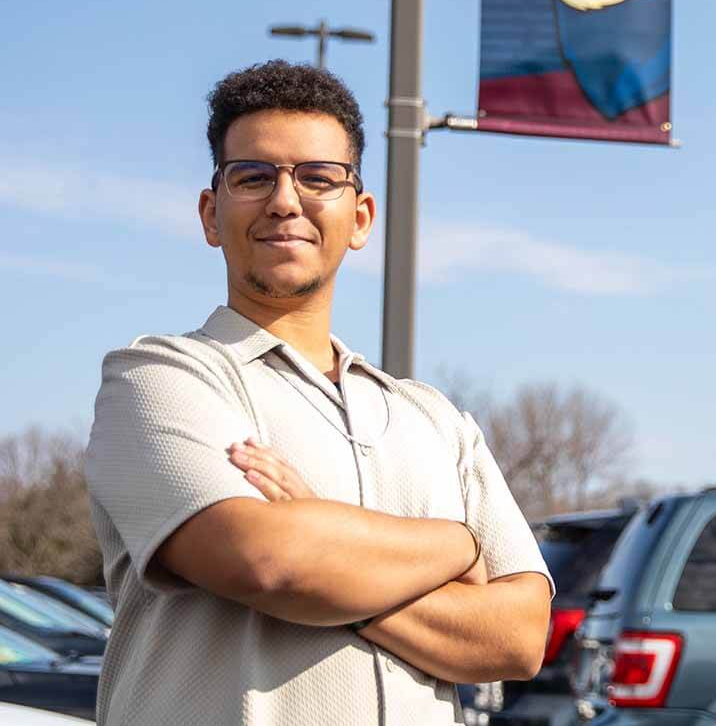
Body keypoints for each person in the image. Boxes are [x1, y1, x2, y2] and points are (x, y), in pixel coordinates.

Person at [85, 60, 553, 726]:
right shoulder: (158, 380)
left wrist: (317, 526)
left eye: (317, 177)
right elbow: (269, 561)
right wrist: (460, 547)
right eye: (253, 176)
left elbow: (518, 637)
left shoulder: (435, 421)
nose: (284, 199)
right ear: (210, 213)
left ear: (360, 217)